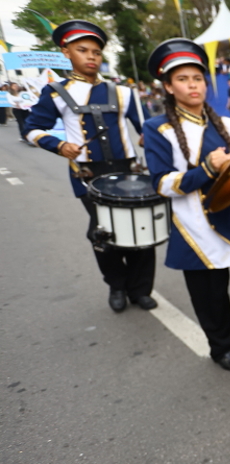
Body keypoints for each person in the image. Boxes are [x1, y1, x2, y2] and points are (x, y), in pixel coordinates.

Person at [143, 39, 230, 373]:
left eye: (198, 78)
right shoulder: (156, 128)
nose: (193, 85)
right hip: (195, 230)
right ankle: (221, 349)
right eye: (183, 79)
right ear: (168, 86)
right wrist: (206, 169)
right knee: (211, 301)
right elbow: (160, 183)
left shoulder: (228, 124)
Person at [23, 20, 156, 312]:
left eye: (96, 51)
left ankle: (140, 289)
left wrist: (152, 137)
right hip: (87, 175)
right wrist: (58, 145)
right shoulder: (55, 92)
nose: (91, 56)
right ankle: (117, 286)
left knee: (140, 230)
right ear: (66, 52)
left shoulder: (123, 92)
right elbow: (31, 129)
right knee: (103, 233)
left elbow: (149, 127)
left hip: (129, 172)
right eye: (82, 50)